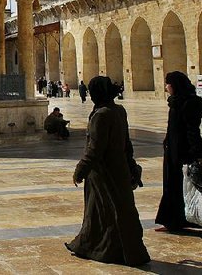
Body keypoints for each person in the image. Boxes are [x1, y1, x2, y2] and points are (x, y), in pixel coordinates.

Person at [66, 76, 150, 266]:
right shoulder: (119, 110)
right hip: (119, 168)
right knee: (119, 209)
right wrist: (130, 164)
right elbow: (127, 144)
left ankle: (101, 248)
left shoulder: (101, 115)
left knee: (102, 210)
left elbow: (95, 149)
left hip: (103, 173)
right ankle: (127, 250)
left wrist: (80, 170)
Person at [155, 71, 202, 231]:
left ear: (175, 85)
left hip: (184, 152)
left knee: (183, 186)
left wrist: (198, 154)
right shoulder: (176, 102)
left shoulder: (189, 103)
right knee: (173, 185)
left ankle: (179, 220)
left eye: (168, 83)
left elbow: (193, 130)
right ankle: (173, 220)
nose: (166, 87)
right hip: (172, 151)